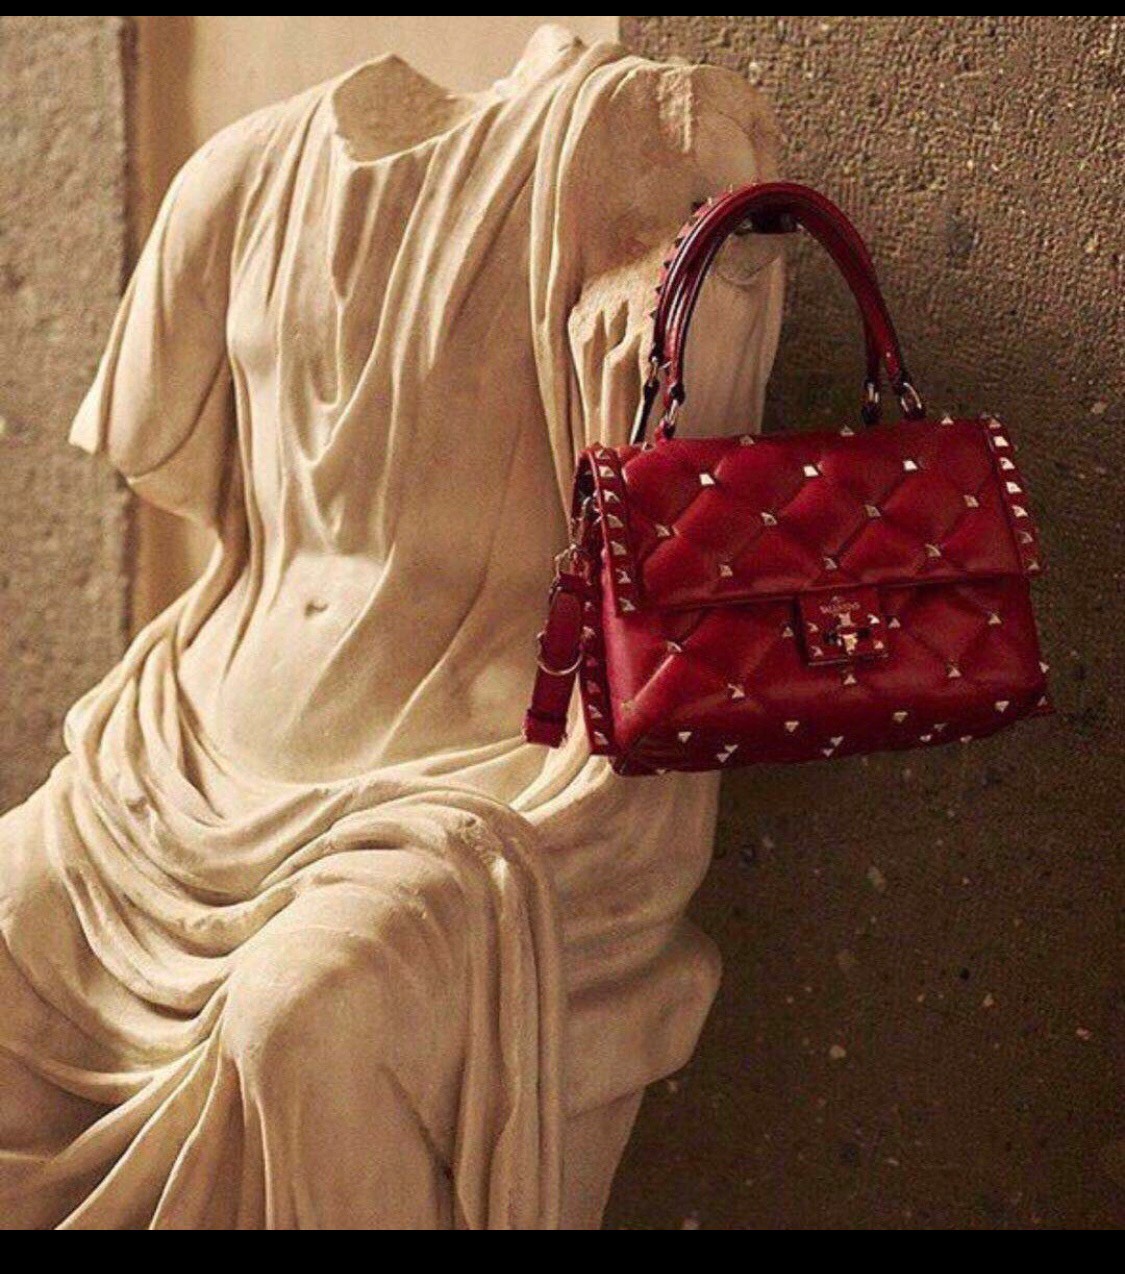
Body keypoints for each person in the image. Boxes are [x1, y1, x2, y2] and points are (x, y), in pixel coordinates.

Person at [0, 26, 782, 1228]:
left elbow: (724, 328)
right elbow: (167, 452)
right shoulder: (243, 174)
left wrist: (681, 311)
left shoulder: (638, 134)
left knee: (304, 1008)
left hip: (486, 781)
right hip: (175, 771)